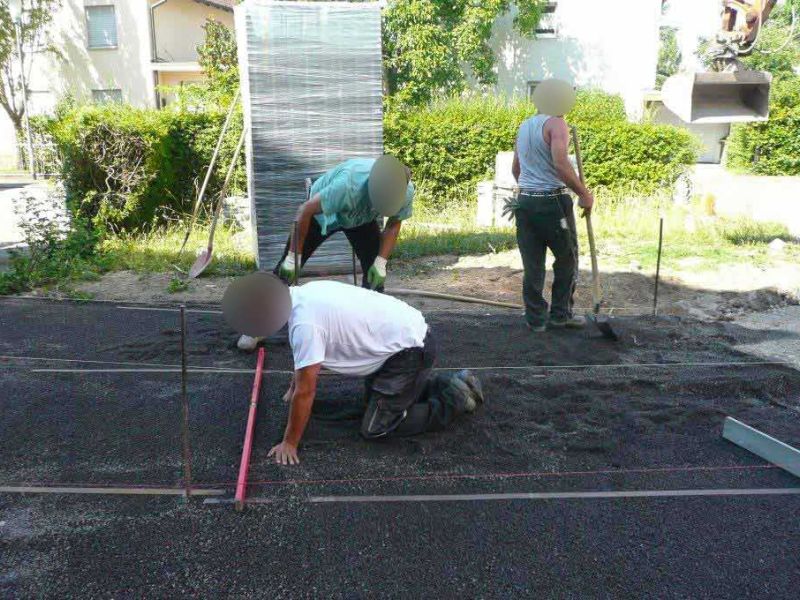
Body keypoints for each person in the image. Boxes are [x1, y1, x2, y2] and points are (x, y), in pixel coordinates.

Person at [222, 273, 484, 465]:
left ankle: (455, 399)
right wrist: (294, 383)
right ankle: (448, 382)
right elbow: (304, 361)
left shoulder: (305, 325)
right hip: (403, 337)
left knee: (376, 427)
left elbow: (306, 391)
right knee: (376, 402)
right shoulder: (304, 293)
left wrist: (290, 442)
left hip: (409, 350)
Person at [508, 78, 595, 332]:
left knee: (533, 263)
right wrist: (584, 193)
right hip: (553, 203)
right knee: (567, 257)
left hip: (524, 203)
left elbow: (516, 169)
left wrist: (530, 189)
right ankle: (560, 315)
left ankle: (535, 320)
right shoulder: (557, 124)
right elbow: (560, 164)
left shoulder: (524, 127)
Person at [276, 155, 414, 291]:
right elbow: (305, 211)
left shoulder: (405, 194)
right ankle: (272, 299)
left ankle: (370, 305)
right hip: (322, 214)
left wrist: (381, 263)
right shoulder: (347, 186)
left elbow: (393, 225)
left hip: (361, 218)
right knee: (287, 270)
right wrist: (293, 258)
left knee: (374, 267)